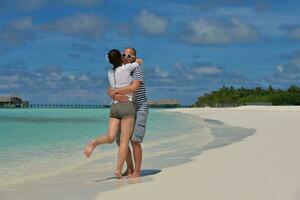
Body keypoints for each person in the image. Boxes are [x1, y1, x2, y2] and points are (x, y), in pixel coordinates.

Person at [83, 49, 142, 178]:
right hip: (127, 105)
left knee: (110, 137)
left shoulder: (110, 72)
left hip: (114, 107)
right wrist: (136, 61)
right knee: (124, 141)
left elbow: (110, 89)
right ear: (121, 58)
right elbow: (137, 62)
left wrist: (115, 93)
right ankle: (118, 169)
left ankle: (95, 142)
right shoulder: (127, 68)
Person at [108, 47, 148, 178]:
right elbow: (110, 89)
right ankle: (129, 168)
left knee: (135, 141)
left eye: (129, 56)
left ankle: (137, 171)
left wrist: (116, 91)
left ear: (134, 58)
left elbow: (134, 87)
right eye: (124, 54)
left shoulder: (137, 69)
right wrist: (115, 95)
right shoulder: (119, 70)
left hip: (139, 107)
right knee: (120, 141)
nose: (125, 57)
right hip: (126, 107)